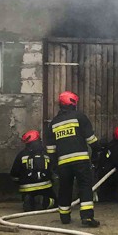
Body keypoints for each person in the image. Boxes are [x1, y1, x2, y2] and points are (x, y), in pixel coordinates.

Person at [45, 91, 102, 227]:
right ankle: (87, 218)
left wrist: (54, 165)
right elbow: (91, 139)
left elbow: (51, 149)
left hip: (63, 163)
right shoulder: (79, 117)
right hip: (81, 160)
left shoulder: (53, 123)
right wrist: (97, 149)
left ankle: (64, 217)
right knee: (84, 186)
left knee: (65, 188)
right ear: (73, 103)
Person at [9, 130, 56, 211]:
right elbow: (53, 169)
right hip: (45, 187)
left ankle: (29, 200)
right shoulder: (46, 154)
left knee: (28, 196)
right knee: (55, 202)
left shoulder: (21, 155)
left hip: (26, 188)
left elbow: (14, 173)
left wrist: (20, 181)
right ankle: (45, 201)